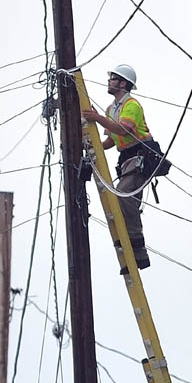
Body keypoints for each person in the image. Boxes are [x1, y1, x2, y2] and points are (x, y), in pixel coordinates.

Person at [82, 63, 153, 270]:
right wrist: (90, 148)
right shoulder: (112, 109)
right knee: (121, 199)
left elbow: (123, 131)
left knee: (124, 196)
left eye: (113, 78)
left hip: (140, 157)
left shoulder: (132, 105)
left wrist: (97, 119)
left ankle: (137, 247)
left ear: (123, 83)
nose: (109, 81)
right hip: (126, 160)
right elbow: (112, 140)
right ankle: (132, 251)